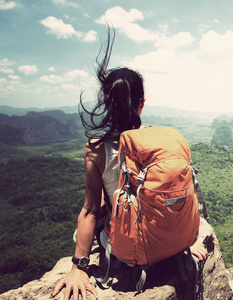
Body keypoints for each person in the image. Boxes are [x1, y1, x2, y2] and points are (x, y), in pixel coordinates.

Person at [52, 27, 207, 300]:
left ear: (106, 104)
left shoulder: (96, 148)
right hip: (169, 240)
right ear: (142, 103)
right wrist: (180, 244)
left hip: (131, 249)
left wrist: (78, 268)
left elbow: (89, 211)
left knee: (98, 211)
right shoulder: (159, 140)